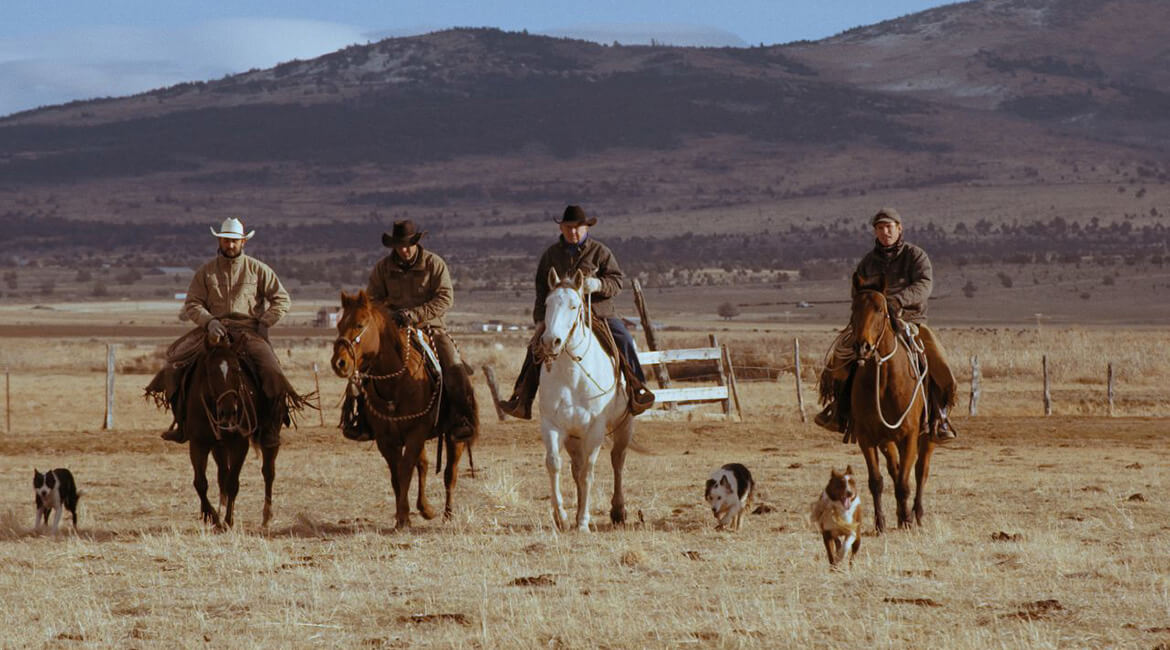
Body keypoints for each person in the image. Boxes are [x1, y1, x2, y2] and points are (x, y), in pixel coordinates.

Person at [814, 207, 958, 442]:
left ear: (899, 228)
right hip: (873, 324)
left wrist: (897, 301)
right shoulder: (868, 262)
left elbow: (924, 285)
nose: (885, 232)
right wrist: (869, 309)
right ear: (875, 232)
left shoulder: (916, 256)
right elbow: (857, 290)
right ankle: (838, 409)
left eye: (889, 227)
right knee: (841, 356)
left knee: (936, 360)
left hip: (909, 320)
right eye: (880, 228)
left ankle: (939, 417)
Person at [498, 205, 655, 419]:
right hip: (562, 317)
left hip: (598, 312)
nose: (573, 232)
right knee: (535, 347)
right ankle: (522, 399)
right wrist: (539, 320)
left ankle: (637, 389)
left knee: (624, 339)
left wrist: (598, 285)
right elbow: (541, 290)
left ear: (586, 228)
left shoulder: (600, 252)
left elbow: (617, 282)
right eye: (569, 227)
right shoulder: (551, 255)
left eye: (578, 228)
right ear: (561, 228)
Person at [147, 218, 293, 448]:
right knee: (173, 366)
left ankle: (270, 427)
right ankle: (183, 424)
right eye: (226, 240)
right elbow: (193, 303)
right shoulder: (205, 272)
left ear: (243, 241)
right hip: (214, 329)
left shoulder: (258, 269)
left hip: (248, 330)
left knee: (273, 372)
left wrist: (265, 322)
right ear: (219, 240)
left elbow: (282, 299)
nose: (230, 245)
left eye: (235, 241)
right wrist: (209, 322)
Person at [340, 220, 477, 442]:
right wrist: (388, 315)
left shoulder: (434, 264)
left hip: (431, 328)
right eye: (398, 245)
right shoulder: (383, 268)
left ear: (415, 242)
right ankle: (360, 419)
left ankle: (462, 418)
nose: (403, 250)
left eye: (407, 245)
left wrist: (414, 315)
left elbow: (445, 298)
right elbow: (371, 301)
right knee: (361, 369)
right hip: (393, 331)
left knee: (453, 366)